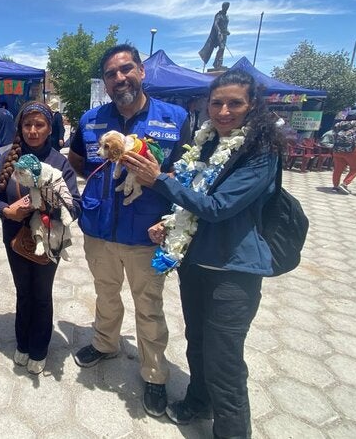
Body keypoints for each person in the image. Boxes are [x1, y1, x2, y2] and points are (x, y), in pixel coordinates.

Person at [132, 69, 285, 438]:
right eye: (217, 103)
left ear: (252, 106)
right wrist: (169, 223)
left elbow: (217, 206)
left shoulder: (259, 152)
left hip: (233, 271)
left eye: (235, 103)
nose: (224, 111)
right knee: (198, 344)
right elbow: (193, 195)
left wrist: (160, 180)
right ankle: (199, 401)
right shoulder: (206, 144)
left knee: (225, 363)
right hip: (195, 264)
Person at [67, 44, 190, 416]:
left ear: (141, 72)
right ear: (104, 82)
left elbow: (189, 172)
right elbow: (76, 158)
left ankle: (154, 375)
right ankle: (106, 343)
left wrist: (158, 179)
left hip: (146, 233)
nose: (119, 78)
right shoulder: (91, 120)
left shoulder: (174, 117)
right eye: (111, 74)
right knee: (105, 294)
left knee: (148, 307)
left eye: (126, 69)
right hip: (99, 230)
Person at [0, 101, 81, 374]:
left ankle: (39, 348)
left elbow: (75, 205)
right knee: (23, 291)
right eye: (27, 125)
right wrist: (8, 211)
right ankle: (22, 343)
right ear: (20, 127)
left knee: (41, 293)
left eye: (39, 125)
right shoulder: (6, 158)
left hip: (49, 239)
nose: (32, 131)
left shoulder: (59, 162)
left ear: (49, 128)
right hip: (15, 238)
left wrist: (47, 203)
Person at [331, 109, 356, 194]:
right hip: (353, 150)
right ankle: (344, 184)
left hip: (337, 149)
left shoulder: (338, 124)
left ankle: (335, 187)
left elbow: (333, 134)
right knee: (355, 168)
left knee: (338, 169)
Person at [198, 2, 230, 70]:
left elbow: (225, 25)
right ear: (223, 7)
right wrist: (219, 32)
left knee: (222, 49)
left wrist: (227, 31)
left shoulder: (226, 16)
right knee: (221, 48)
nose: (227, 8)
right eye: (226, 6)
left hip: (224, 35)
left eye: (228, 6)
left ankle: (218, 63)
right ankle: (217, 63)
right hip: (218, 34)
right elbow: (216, 24)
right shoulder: (218, 15)